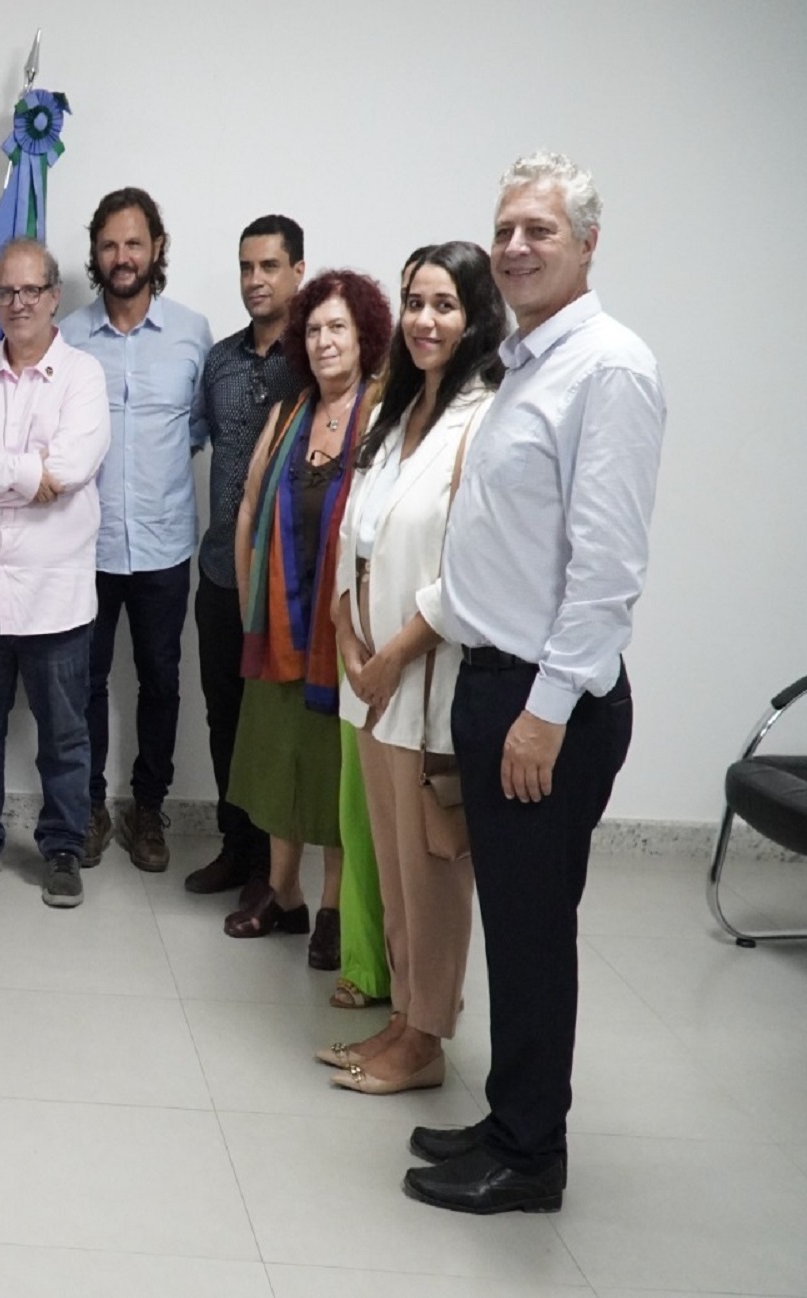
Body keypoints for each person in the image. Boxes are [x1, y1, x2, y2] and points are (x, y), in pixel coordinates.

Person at [405, 153, 665, 1214]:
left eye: (540, 231)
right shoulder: (524, 360)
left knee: (533, 931)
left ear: (587, 245)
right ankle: (511, 1116)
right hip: (497, 681)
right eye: (506, 228)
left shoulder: (610, 369)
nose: (514, 247)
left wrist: (544, 715)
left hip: (543, 704)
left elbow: (606, 570)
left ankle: (529, 1157)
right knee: (516, 927)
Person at [324, 240, 506, 1087]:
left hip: (424, 681)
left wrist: (392, 655)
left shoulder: (485, 421)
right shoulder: (396, 412)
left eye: (444, 305)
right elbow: (352, 538)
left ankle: (426, 1040)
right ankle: (400, 1019)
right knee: (391, 867)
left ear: (476, 316)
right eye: (414, 303)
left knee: (431, 874)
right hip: (368, 680)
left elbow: (468, 571)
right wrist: (348, 641)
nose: (424, 321)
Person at [0, 238, 111, 908]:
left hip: (55, 593)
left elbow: (72, 468)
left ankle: (62, 847)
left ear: (54, 296)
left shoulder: (83, 377)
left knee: (64, 734)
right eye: (6, 291)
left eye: (31, 290)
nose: (18, 303)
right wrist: (26, 474)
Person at [226, 269, 393, 965]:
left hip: (342, 638)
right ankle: (282, 893)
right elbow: (249, 507)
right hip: (277, 627)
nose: (325, 341)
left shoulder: (383, 415)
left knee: (332, 774)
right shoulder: (289, 414)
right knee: (277, 764)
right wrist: (250, 610)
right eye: (316, 329)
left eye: (338, 329)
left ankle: (331, 907)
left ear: (364, 337)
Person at [60, 188, 213, 871]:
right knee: (84, 683)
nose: (122, 257)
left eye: (133, 243)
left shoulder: (192, 333)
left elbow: (198, 428)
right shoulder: (67, 336)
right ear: (95, 255)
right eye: (109, 245)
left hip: (163, 544)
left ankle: (147, 808)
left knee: (162, 682)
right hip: (86, 545)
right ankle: (90, 806)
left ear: (157, 248)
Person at [185, 216, 304, 898]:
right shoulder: (221, 360)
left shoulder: (315, 354)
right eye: (245, 267)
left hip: (284, 581)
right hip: (220, 572)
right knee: (224, 715)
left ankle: (272, 869)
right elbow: (195, 438)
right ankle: (235, 847)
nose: (255, 280)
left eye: (269, 266)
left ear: (297, 272)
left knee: (275, 725)